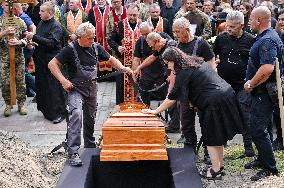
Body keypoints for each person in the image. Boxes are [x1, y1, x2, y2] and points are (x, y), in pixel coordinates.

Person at [142, 47, 242, 180]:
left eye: (167, 63)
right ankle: (220, 166)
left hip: (213, 102)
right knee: (219, 135)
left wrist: (155, 111)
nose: (167, 66)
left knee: (210, 138)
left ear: (173, 61)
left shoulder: (183, 73)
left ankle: (215, 171)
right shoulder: (196, 61)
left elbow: (171, 98)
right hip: (226, 94)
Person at [48, 22, 133, 166]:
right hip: (75, 89)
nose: (92, 40)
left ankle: (90, 145)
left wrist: (123, 67)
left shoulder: (95, 47)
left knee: (91, 117)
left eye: (93, 37)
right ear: (80, 37)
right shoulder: (70, 49)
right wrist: (63, 81)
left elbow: (110, 59)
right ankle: (73, 151)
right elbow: (52, 64)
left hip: (92, 89)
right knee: (76, 115)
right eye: (89, 38)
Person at [244, 6, 281, 181]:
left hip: (263, 91)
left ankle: (270, 167)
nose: (249, 22)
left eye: (251, 19)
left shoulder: (268, 40)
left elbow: (267, 68)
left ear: (259, 20)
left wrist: (251, 82)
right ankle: (262, 159)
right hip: (261, 91)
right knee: (263, 126)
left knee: (257, 128)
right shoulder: (265, 37)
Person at [214, 10, 255, 157]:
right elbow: (213, 56)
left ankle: (248, 148)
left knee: (245, 115)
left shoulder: (250, 40)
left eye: (232, 27)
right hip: (225, 85)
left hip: (243, 84)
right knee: (223, 115)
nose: (229, 29)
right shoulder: (221, 39)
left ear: (241, 26)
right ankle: (220, 146)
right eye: (227, 26)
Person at [172, 17, 215, 147]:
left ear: (187, 30)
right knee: (186, 123)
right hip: (185, 92)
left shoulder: (201, 44)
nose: (176, 35)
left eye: (178, 32)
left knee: (206, 123)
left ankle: (209, 151)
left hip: (201, 91)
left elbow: (212, 66)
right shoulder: (176, 46)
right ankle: (189, 149)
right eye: (174, 32)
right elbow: (173, 70)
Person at [26, 1, 66, 124]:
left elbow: (51, 43)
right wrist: (31, 44)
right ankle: (46, 110)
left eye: (42, 11)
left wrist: (33, 37)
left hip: (52, 61)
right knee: (43, 85)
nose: (39, 13)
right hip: (41, 60)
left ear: (49, 12)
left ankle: (59, 113)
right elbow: (40, 39)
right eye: (40, 11)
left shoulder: (56, 26)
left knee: (53, 87)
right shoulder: (42, 23)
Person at [133, 32, 181, 133]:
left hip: (178, 76)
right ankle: (174, 124)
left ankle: (175, 126)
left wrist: (169, 76)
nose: (152, 49)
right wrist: (139, 67)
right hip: (171, 75)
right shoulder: (159, 47)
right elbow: (151, 57)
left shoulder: (170, 47)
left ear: (158, 41)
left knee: (171, 98)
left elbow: (171, 66)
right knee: (170, 98)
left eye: (152, 46)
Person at [108, 3, 142, 104]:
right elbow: (110, 40)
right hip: (122, 62)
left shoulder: (143, 25)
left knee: (138, 84)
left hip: (139, 63)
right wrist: (118, 47)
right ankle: (121, 106)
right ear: (126, 13)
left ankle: (138, 104)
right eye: (130, 15)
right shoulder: (119, 25)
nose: (132, 17)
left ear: (138, 14)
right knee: (122, 85)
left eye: (134, 15)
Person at [0, 2, 28, 117]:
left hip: (18, 56)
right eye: (6, 5)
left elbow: (27, 36)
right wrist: (4, 33)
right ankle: (8, 104)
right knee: (5, 82)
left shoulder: (20, 21)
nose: (9, 7)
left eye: (10, 5)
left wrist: (20, 42)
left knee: (21, 81)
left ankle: (21, 104)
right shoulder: (0, 21)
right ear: (2, 6)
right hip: (4, 57)